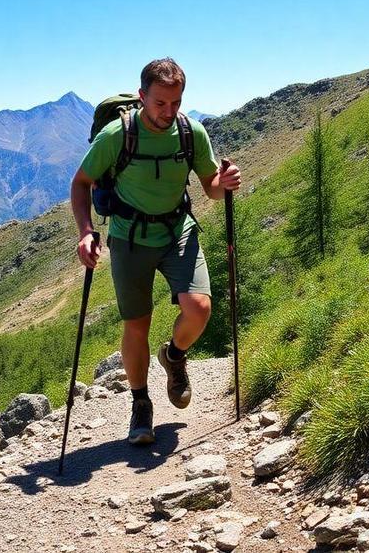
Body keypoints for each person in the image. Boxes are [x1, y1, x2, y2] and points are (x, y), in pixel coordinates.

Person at [69, 58, 242, 445]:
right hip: (130, 238)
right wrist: (85, 232)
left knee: (199, 308)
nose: (169, 112)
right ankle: (140, 403)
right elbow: (81, 184)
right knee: (137, 325)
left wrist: (224, 182)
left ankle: (174, 356)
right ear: (143, 96)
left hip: (178, 231)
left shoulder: (191, 132)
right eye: (160, 103)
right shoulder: (116, 135)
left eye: (176, 102)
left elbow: (210, 186)